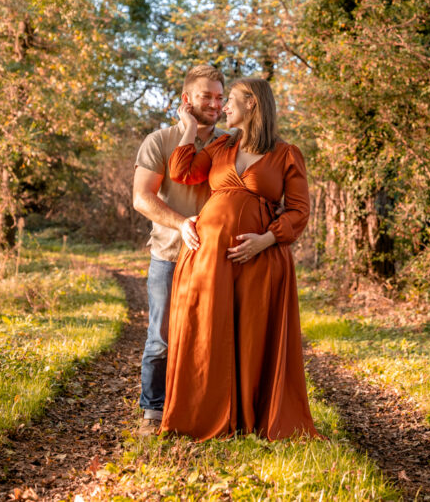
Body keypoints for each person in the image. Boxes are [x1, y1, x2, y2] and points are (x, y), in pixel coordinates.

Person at [161, 77, 319, 441]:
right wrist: (187, 128)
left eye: (230, 100)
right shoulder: (219, 146)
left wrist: (266, 239)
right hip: (206, 257)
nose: (223, 108)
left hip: (258, 261)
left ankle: (248, 420)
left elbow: (299, 212)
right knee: (206, 333)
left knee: (249, 336)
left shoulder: (286, 153)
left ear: (252, 104)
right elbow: (182, 170)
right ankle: (200, 416)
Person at [132, 65, 226, 436]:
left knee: (213, 338)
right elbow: (142, 197)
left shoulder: (230, 142)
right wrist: (181, 223)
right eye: (206, 96)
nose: (215, 104)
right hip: (170, 256)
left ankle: (206, 413)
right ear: (187, 100)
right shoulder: (160, 141)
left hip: (216, 259)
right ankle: (153, 414)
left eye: (220, 97)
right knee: (161, 339)